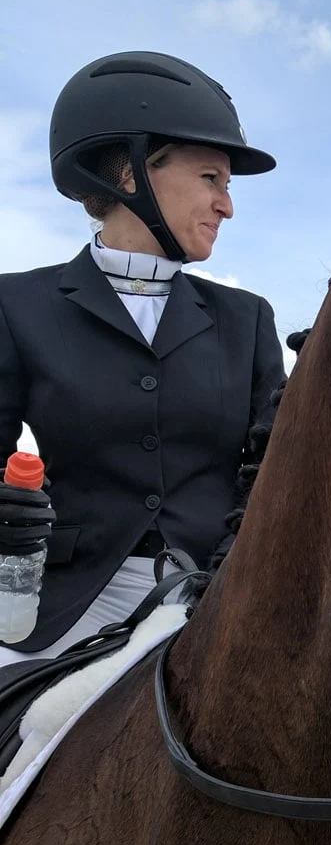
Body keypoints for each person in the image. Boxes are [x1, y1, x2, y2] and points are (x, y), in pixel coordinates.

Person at [0, 51, 285, 665]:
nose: (227, 206)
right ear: (130, 174)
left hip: (218, 600)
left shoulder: (248, 318)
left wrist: (229, 576)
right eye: (212, 179)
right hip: (65, 604)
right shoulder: (16, 303)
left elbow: (266, 473)